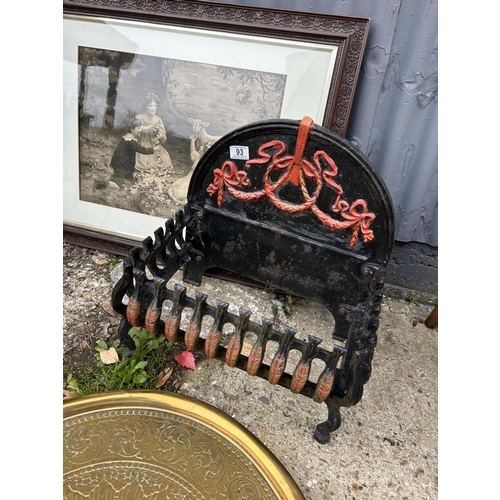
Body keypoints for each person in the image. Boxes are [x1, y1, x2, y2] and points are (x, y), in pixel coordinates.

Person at [109, 119, 161, 187]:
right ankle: (103, 183)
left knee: (132, 183)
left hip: (127, 166)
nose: (140, 130)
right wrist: (153, 149)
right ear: (132, 129)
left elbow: (145, 128)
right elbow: (142, 149)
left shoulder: (130, 138)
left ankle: (115, 178)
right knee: (119, 185)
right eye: (138, 128)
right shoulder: (130, 141)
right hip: (120, 166)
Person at [135, 93, 174, 173]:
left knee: (165, 161)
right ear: (145, 106)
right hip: (142, 146)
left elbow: (163, 140)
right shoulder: (139, 118)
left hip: (155, 146)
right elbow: (135, 134)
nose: (153, 108)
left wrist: (160, 134)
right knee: (144, 164)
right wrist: (146, 129)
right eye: (150, 106)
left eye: (155, 106)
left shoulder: (158, 120)